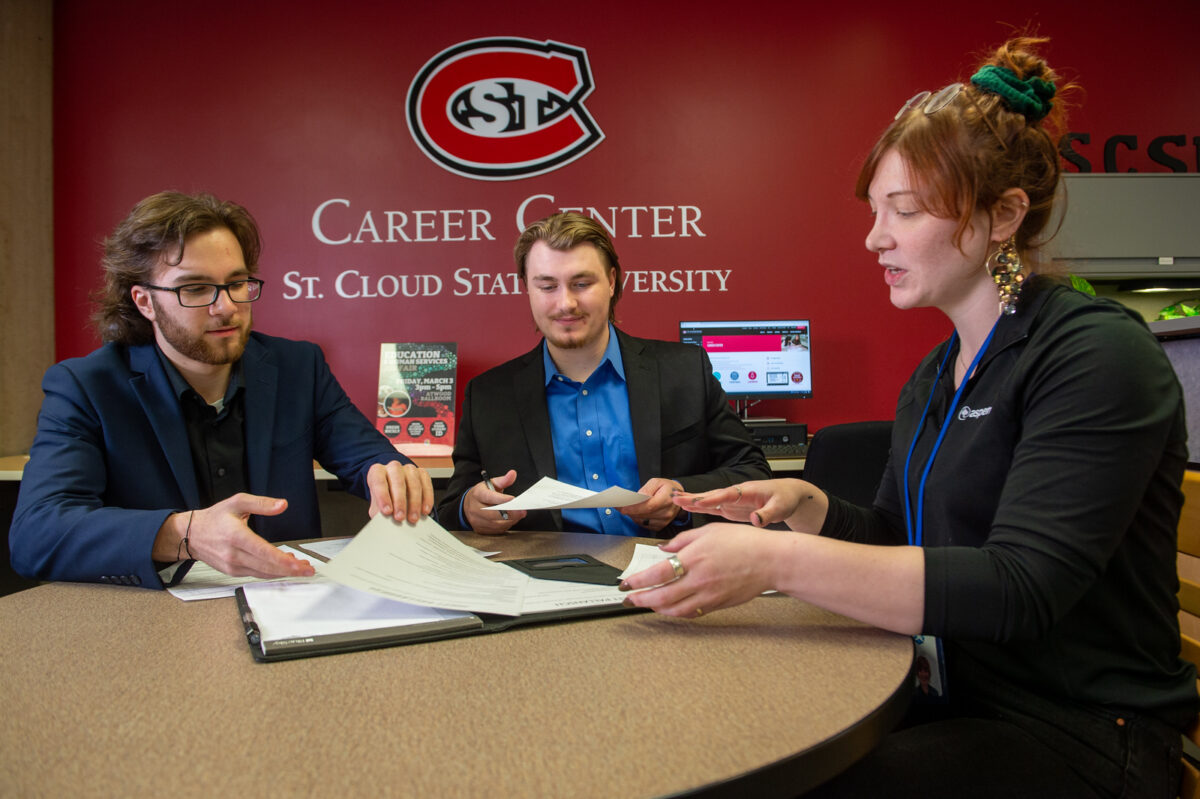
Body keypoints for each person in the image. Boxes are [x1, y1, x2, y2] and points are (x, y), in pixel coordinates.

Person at [619, 37, 1196, 798]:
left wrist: (775, 562)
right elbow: (900, 537)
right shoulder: (937, 371)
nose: (874, 238)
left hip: (1082, 732)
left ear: (1003, 215)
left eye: (905, 211)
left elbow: (1020, 587)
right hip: (951, 693)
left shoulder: (1094, 356)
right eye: (874, 211)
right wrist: (808, 508)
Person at [10, 191, 434, 588]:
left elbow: (368, 456)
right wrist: (183, 533)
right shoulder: (86, 387)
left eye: (236, 283)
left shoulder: (297, 366)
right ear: (144, 302)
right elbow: (36, 535)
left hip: (292, 603)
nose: (227, 306)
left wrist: (389, 475)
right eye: (195, 288)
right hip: (153, 627)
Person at [437, 212, 770, 536]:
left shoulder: (684, 371)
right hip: (546, 581)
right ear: (526, 288)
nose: (566, 303)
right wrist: (470, 509)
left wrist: (684, 495)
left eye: (581, 283)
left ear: (611, 282)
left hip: (668, 573)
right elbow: (454, 503)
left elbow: (753, 474)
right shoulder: (488, 396)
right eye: (547, 286)